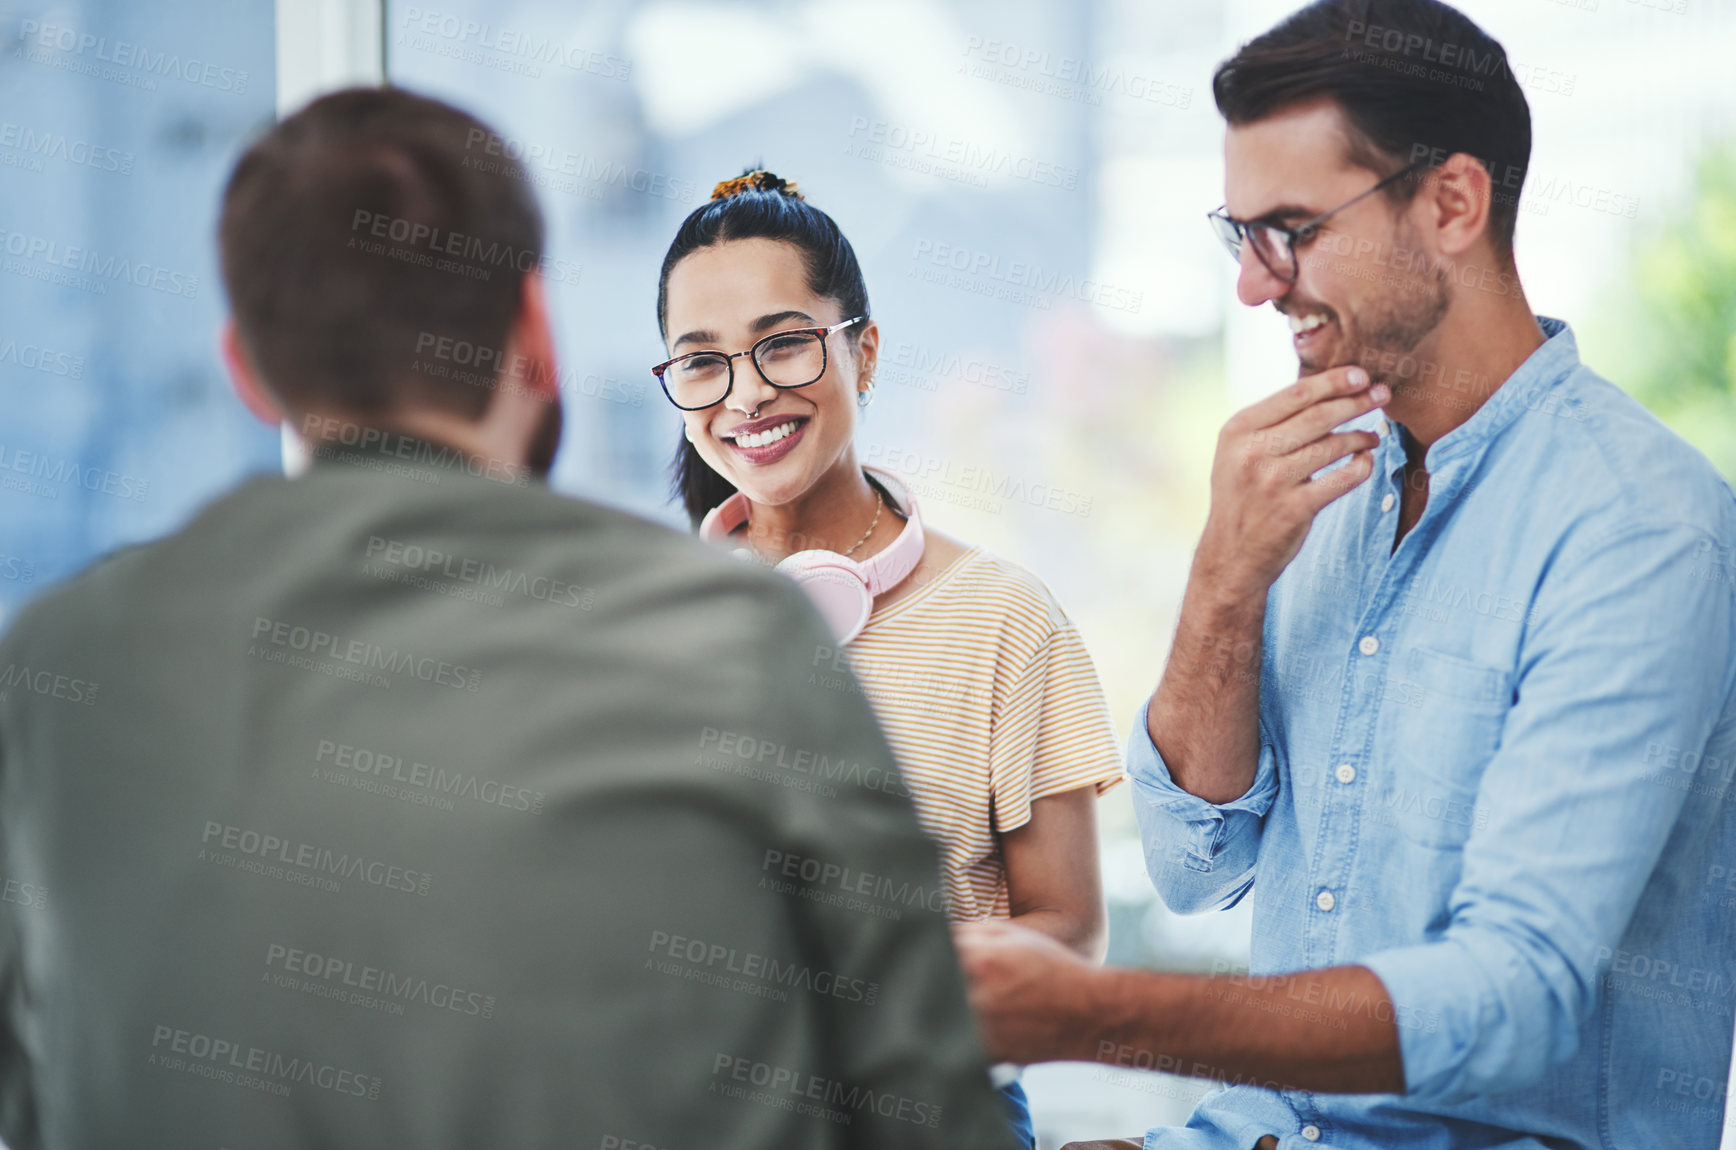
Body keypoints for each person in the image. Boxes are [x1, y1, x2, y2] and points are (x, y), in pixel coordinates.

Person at [0, 88, 1020, 1150]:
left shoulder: (58, 668)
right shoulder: (735, 642)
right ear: (535, 328)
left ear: (246, 371)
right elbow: (933, 1119)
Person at [954, 1, 1736, 1148]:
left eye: (1292, 228)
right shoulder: (1310, 493)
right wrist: (1221, 580)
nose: (1254, 287)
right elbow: (1192, 865)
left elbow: (1511, 1000)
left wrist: (1096, 1013)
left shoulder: (1636, 530)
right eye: (1240, 235)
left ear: (1452, 203)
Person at [652, 168, 1126, 1145]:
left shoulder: (1001, 615)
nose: (745, 394)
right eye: (701, 363)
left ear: (861, 353)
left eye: (781, 344)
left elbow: (1068, 933)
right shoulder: (649, 624)